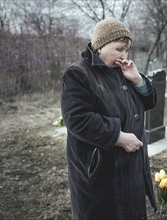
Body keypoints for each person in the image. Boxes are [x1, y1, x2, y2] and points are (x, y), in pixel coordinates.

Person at [61, 17, 157, 220]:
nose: (124, 56)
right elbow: (77, 119)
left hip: (131, 167)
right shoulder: (78, 74)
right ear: (100, 46)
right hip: (100, 170)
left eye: (127, 50)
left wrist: (137, 79)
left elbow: (148, 103)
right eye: (119, 49)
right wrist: (119, 137)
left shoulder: (122, 71)